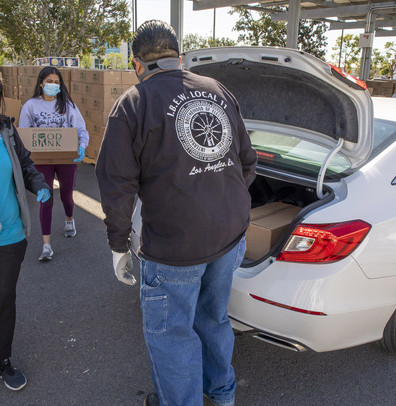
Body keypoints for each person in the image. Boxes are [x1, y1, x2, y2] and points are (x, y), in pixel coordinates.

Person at [96, 20, 257, 406]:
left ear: (137, 64)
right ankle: (222, 396)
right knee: (214, 319)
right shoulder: (218, 91)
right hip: (230, 236)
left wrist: (119, 245)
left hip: (173, 248)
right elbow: (247, 163)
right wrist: (220, 202)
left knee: (171, 335)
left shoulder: (133, 104)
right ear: (178, 58)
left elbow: (115, 183)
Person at [0, 72, 51, 390]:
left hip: (10, 234)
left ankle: (0, 360)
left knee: (2, 298)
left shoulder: (5, 128)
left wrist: (39, 184)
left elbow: (26, 165)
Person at [19, 67, 89, 261]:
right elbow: (23, 135)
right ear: (41, 83)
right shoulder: (31, 106)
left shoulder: (67, 105)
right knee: (45, 199)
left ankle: (69, 219)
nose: (53, 85)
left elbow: (82, 130)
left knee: (66, 196)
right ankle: (46, 245)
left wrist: (81, 147)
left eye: (57, 82)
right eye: (49, 81)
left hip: (66, 159)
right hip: (42, 161)